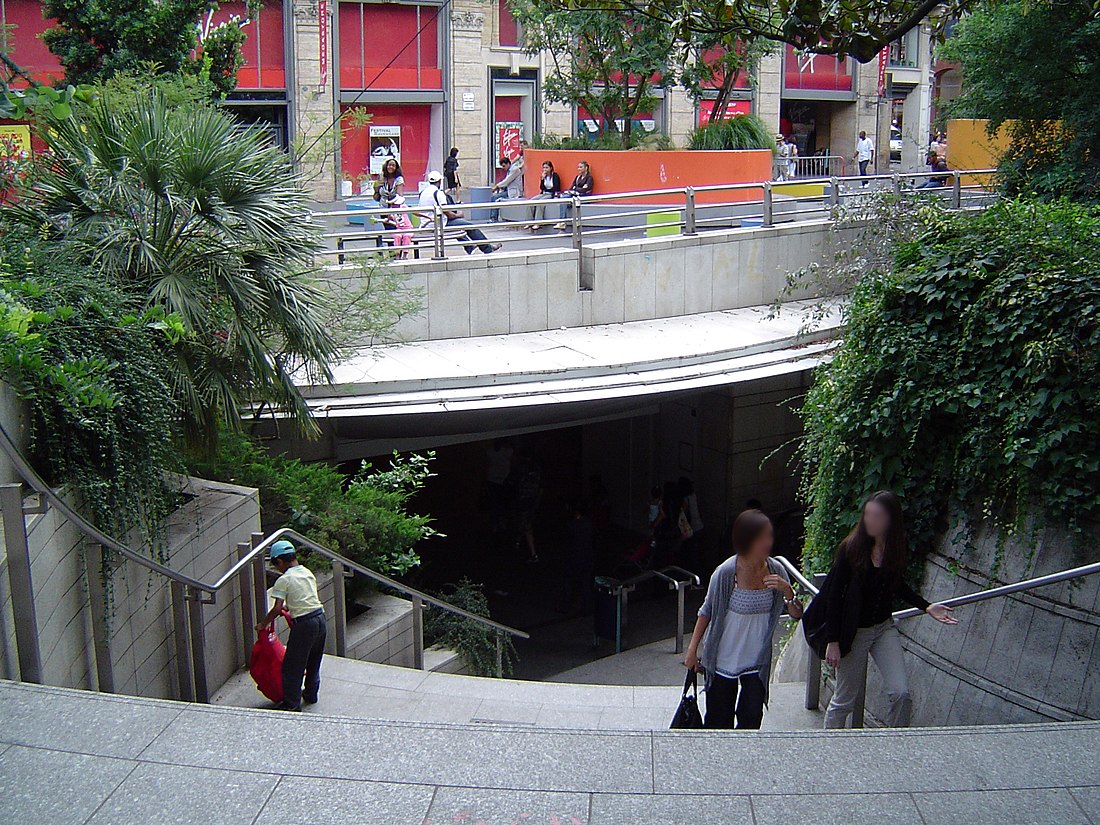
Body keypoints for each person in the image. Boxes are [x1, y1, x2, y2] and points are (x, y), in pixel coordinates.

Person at [822, 490, 958, 729]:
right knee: (844, 700)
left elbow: (897, 584)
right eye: (868, 515)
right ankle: (824, 750)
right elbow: (833, 596)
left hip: (883, 628)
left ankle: (895, 747)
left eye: (877, 516)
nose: (870, 521)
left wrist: (926, 606)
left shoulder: (894, 548)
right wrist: (832, 640)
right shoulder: (851, 549)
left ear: (890, 521)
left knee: (901, 693)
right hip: (855, 632)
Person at [684, 509, 803, 729]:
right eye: (761, 537)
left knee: (751, 719)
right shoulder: (726, 573)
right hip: (723, 658)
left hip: (756, 661)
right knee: (719, 722)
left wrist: (788, 591)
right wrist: (692, 651)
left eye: (769, 535)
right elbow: (706, 611)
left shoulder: (776, 570)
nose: (768, 542)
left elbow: (797, 614)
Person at [256, 540, 326, 711]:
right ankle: (310, 694)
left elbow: (277, 608)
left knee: (292, 666)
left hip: (304, 625)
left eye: (275, 564)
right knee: (313, 660)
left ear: (279, 561)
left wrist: (262, 624)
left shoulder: (284, 579)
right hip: (320, 618)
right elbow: (305, 598)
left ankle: (292, 705)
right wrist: (292, 607)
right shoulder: (306, 572)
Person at [418, 170, 500, 255]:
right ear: (439, 181)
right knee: (469, 226)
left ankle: (470, 247)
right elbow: (448, 214)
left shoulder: (423, 192)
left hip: (426, 224)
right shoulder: (438, 193)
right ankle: (487, 249)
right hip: (438, 224)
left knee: (459, 225)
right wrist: (458, 215)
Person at [374, 158, 404, 247]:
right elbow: (376, 189)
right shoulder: (382, 176)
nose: (391, 167)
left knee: (396, 230)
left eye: (393, 165)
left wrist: (393, 203)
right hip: (383, 208)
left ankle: (397, 251)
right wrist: (379, 182)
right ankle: (392, 251)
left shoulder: (399, 179)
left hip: (395, 210)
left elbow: (400, 194)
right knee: (389, 230)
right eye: (389, 165)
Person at [556, 160, 594, 230]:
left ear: (586, 168)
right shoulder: (577, 177)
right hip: (575, 196)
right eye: (578, 167)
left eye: (581, 167)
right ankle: (562, 222)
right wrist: (577, 189)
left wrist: (576, 188)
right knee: (563, 199)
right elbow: (571, 188)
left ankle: (563, 222)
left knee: (568, 201)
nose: (579, 169)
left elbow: (585, 190)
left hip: (583, 197)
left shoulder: (589, 178)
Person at [528, 160, 561, 230]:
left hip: (551, 194)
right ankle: (529, 222)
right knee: (531, 201)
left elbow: (556, 187)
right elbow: (541, 188)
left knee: (540, 202)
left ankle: (538, 223)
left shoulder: (555, 176)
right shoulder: (544, 176)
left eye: (546, 167)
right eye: (544, 168)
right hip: (544, 193)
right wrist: (542, 179)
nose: (545, 169)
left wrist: (548, 190)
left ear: (551, 168)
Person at [490, 156, 523, 221]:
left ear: (508, 164)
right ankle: (493, 217)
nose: (503, 168)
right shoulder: (510, 170)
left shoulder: (515, 170)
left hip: (514, 191)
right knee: (494, 197)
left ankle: (493, 218)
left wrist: (497, 186)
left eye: (504, 166)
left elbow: (507, 181)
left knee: (495, 198)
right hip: (508, 190)